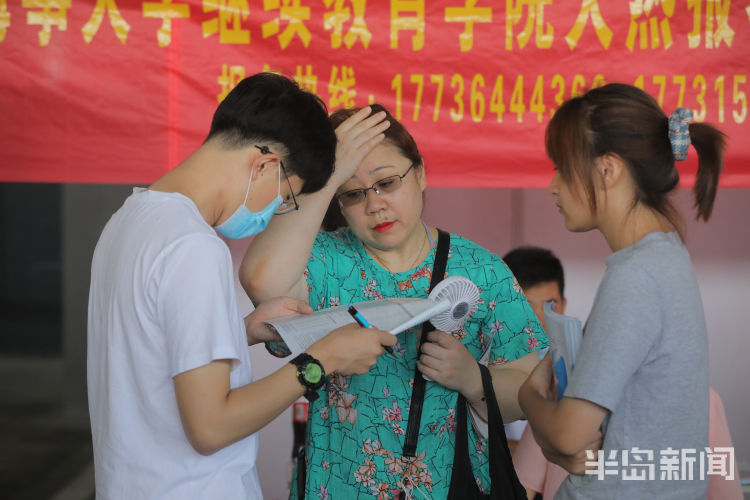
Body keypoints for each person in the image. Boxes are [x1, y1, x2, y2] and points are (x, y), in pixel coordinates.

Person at [86, 73, 397, 499]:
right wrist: (321, 359)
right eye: (287, 196)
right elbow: (211, 428)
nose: (273, 212)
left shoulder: (127, 220)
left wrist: (241, 331)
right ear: (265, 164)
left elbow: (145, 352)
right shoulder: (193, 246)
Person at [241, 103, 548, 498]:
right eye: (352, 193)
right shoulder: (322, 261)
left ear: (419, 173)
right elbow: (260, 281)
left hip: (444, 487)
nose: (374, 205)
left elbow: (528, 395)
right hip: (334, 487)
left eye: (387, 183)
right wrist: (328, 173)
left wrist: (474, 380)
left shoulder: (481, 270)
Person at [519, 83, 726, 499]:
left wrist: (528, 397)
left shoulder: (637, 277)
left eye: (562, 165)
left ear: (608, 169)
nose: (553, 186)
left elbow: (569, 435)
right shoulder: (666, 259)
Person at [501, 246, 571, 499]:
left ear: (564, 305)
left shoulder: (580, 364)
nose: (539, 318)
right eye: (526, 305)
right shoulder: (473, 360)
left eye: (550, 305)